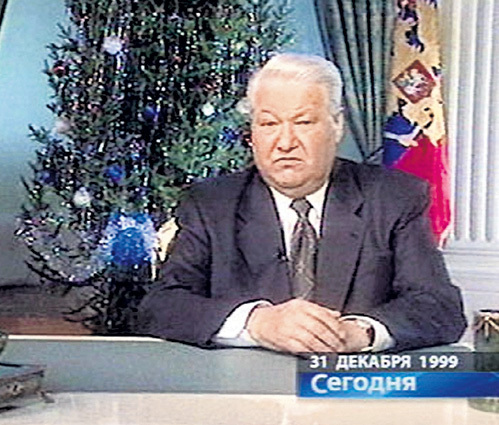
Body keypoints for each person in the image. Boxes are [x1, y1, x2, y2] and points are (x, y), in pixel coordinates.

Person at [134, 54, 466, 354]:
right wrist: (257, 322)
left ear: (337, 125)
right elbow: (162, 306)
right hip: (244, 392)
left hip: (352, 391)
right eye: (269, 124)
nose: (285, 142)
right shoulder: (212, 204)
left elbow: (439, 307)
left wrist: (361, 332)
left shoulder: (394, 198)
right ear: (252, 134)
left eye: (303, 122)